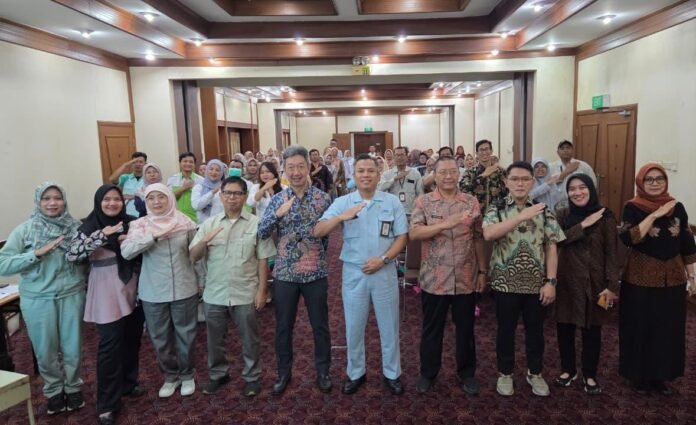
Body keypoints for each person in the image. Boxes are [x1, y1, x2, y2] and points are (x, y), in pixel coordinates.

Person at [314, 154, 408, 395]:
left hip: (384, 270)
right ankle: (356, 372)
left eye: (370, 171)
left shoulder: (391, 202)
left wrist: (383, 259)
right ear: (353, 176)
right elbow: (318, 230)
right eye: (361, 171)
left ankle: (392, 373)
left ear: (378, 175)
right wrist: (340, 217)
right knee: (354, 327)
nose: (366, 175)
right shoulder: (343, 202)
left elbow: (402, 237)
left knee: (389, 326)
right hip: (354, 273)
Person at [0, 182, 86, 415]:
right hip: (38, 299)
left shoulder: (76, 227)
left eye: (57, 198)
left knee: (73, 347)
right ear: (38, 202)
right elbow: (2, 264)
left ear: (64, 200)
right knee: (45, 349)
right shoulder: (26, 230)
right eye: (46, 198)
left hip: (72, 294)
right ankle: (54, 390)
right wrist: (35, 254)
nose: (52, 203)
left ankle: (73, 387)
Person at [482, 161, 565, 397]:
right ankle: (505, 373)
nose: (520, 183)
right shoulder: (497, 208)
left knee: (536, 332)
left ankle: (535, 373)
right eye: (515, 179)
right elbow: (489, 233)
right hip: (505, 282)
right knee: (505, 331)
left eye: (525, 179)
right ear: (506, 182)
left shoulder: (543, 210)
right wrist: (520, 217)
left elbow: (552, 246)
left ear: (532, 182)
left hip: (536, 284)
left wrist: (551, 282)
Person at [190, 177, 276, 397]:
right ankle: (218, 374)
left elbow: (263, 259)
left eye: (237, 193)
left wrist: (262, 291)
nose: (232, 198)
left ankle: (252, 378)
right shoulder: (210, 224)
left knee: (249, 339)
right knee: (215, 339)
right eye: (227, 193)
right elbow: (193, 256)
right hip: (215, 292)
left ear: (245, 197)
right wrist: (203, 242)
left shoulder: (256, 223)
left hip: (245, 291)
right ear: (221, 196)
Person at [65, 185, 145, 424]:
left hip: (133, 285)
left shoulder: (131, 222)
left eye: (117, 199)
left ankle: (128, 383)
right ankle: (107, 403)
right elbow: (72, 255)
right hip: (105, 289)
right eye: (107, 199)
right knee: (110, 346)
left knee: (132, 339)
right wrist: (102, 235)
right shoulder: (88, 227)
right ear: (98, 202)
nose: (112, 203)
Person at [258, 145, 333, 395]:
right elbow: (262, 233)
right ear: (284, 170)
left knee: (320, 325)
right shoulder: (278, 199)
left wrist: (315, 257)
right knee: (283, 327)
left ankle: (323, 371)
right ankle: (283, 373)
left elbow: (327, 237)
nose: (296, 172)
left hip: (315, 273)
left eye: (301, 166)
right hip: (285, 274)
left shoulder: (323, 199)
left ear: (309, 167)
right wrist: (277, 216)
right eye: (291, 167)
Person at [409, 157, 487, 395]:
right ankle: (428, 373)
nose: (448, 176)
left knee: (466, 330)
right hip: (435, 279)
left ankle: (467, 373)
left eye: (453, 171)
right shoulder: (424, 201)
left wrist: (482, 271)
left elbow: (478, 238)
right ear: (434, 175)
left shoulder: (471, 202)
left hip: (466, 276)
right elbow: (415, 233)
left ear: (458, 174)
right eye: (443, 172)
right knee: (432, 329)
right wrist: (446, 224)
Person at [618, 163, 696, 395]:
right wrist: (655, 214)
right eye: (649, 179)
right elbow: (630, 237)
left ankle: (660, 376)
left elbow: (687, 242)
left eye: (659, 179)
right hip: (639, 278)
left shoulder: (677, 207)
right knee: (640, 326)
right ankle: (638, 375)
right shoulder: (632, 207)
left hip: (672, 279)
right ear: (641, 182)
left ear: (665, 181)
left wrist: (692, 275)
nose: (654, 183)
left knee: (667, 329)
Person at [121, 184, 199, 398]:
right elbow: (127, 252)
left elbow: (196, 255)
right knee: (159, 337)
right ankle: (170, 376)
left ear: (170, 199)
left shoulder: (185, 222)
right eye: (151, 198)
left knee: (186, 334)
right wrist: (153, 237)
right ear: (146, 202)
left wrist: (202, 281)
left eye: (161, 197)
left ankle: (187, 375)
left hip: (184, 286)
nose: (157, 202)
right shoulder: (139, 225)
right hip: (153, 291)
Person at [553, 174, 620, 395]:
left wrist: (612, 285)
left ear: (591, 189)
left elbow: (612, 252)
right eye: (572, 189)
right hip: (566, 280)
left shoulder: (605, 215)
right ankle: (568, 370)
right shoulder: (563, 214)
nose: (577, 192)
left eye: (582, 187)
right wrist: (583, 224)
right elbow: (555, 241)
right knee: (564, 327)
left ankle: (590, 374)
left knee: (593, 329)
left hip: (596, 282)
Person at [460, 140, 508, 214]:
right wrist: (483, 176)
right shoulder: (470, 172)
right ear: (476, 153)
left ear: (491, 151)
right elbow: (464, 190)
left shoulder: (500, 171)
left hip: (497, 214)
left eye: (487, 149)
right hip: (476, 215)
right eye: (481, 150)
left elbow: (508, 192)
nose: (484, 152)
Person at [548, 140, 598, 209]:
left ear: (572, 150)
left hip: (579, 201)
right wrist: (564, 173)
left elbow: (593, 183)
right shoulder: (551, 167)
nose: (565, 150)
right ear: (558, 152)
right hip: (558, 204)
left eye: (568, 148)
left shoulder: (583, 165)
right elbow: (548, 185)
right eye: (562, 148)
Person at [378, 146, 423, 217]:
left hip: (411, 213)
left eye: (402, 155)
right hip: (393, 213)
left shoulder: (415, 173)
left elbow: (420, 194)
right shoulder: (387, 174)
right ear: (394, 157)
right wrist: (394, 179)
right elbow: (380, 189)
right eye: (397, 155)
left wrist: (417, 210)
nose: (399, 157)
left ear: (407, 157)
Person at [109, 151, 147, 217]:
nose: (137, 164)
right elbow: (112, 179)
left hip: (144, 214)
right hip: (126, 214)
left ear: (145, 164)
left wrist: (133, 197)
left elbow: (151, 196)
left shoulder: (149, 179)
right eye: (135, 162)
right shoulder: (125, 177)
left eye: (140, 162)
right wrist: (125, 165)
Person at [167, 152, 203, 222]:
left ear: (194, 164)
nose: (188, 164)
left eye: (191, 162)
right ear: (180, 163)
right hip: (177, 219)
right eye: (185, 161)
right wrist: (183, 188)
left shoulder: (201, 180)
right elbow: (169, 198)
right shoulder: (172, 179)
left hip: (195, 219)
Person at [191, 159, 227, 224]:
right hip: (203, 224)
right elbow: (196, 206)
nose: (214, 172)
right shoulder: (199, 187)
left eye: (217, 170)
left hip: (221, 224)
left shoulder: (225, 187)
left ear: (221, 173)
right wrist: (212, 192)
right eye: (211, 169)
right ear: (207, 170)